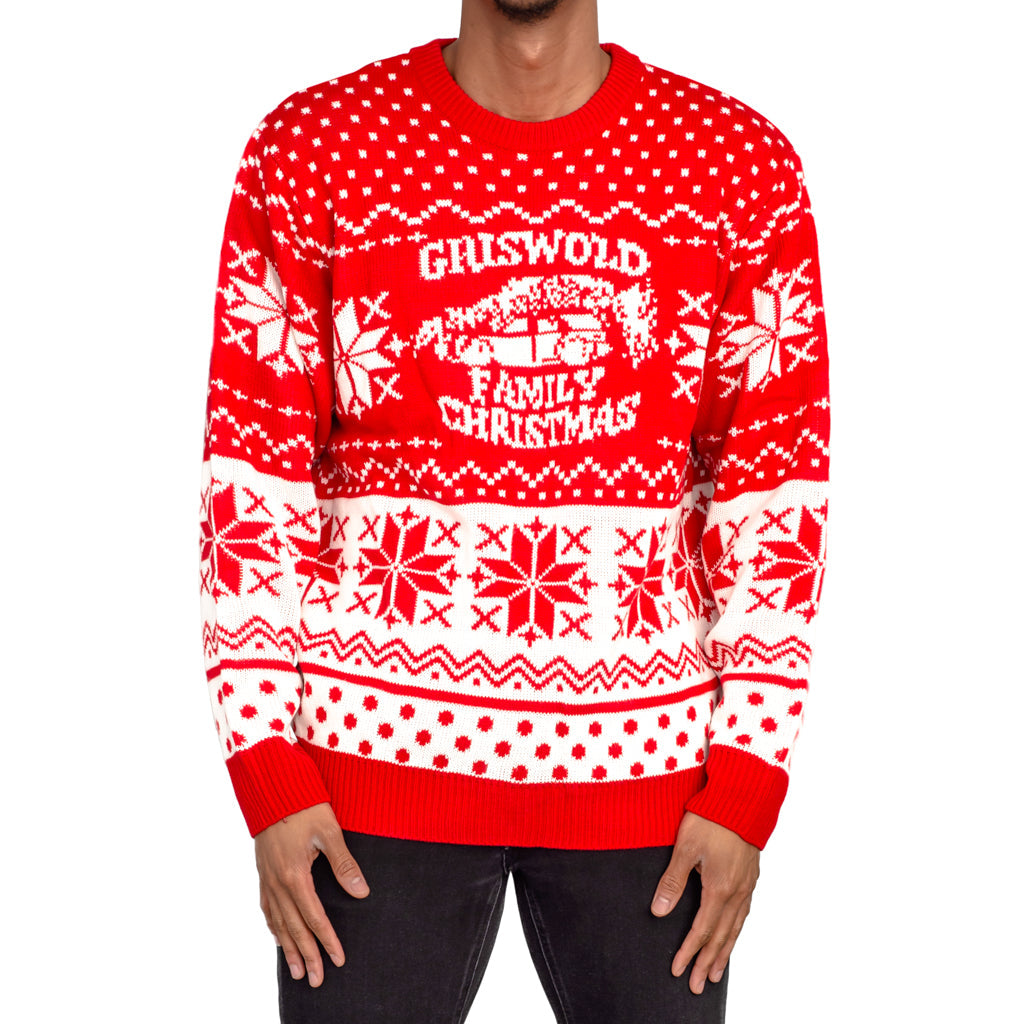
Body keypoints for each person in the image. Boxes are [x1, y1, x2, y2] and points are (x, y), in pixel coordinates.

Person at [198, 0, 830, 1020]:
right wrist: (267, 763)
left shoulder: (737, 166)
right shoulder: (312, 148)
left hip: (652, 784)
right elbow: (252, 480)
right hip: (363, 776)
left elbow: (773, 493)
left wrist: (749, 780)